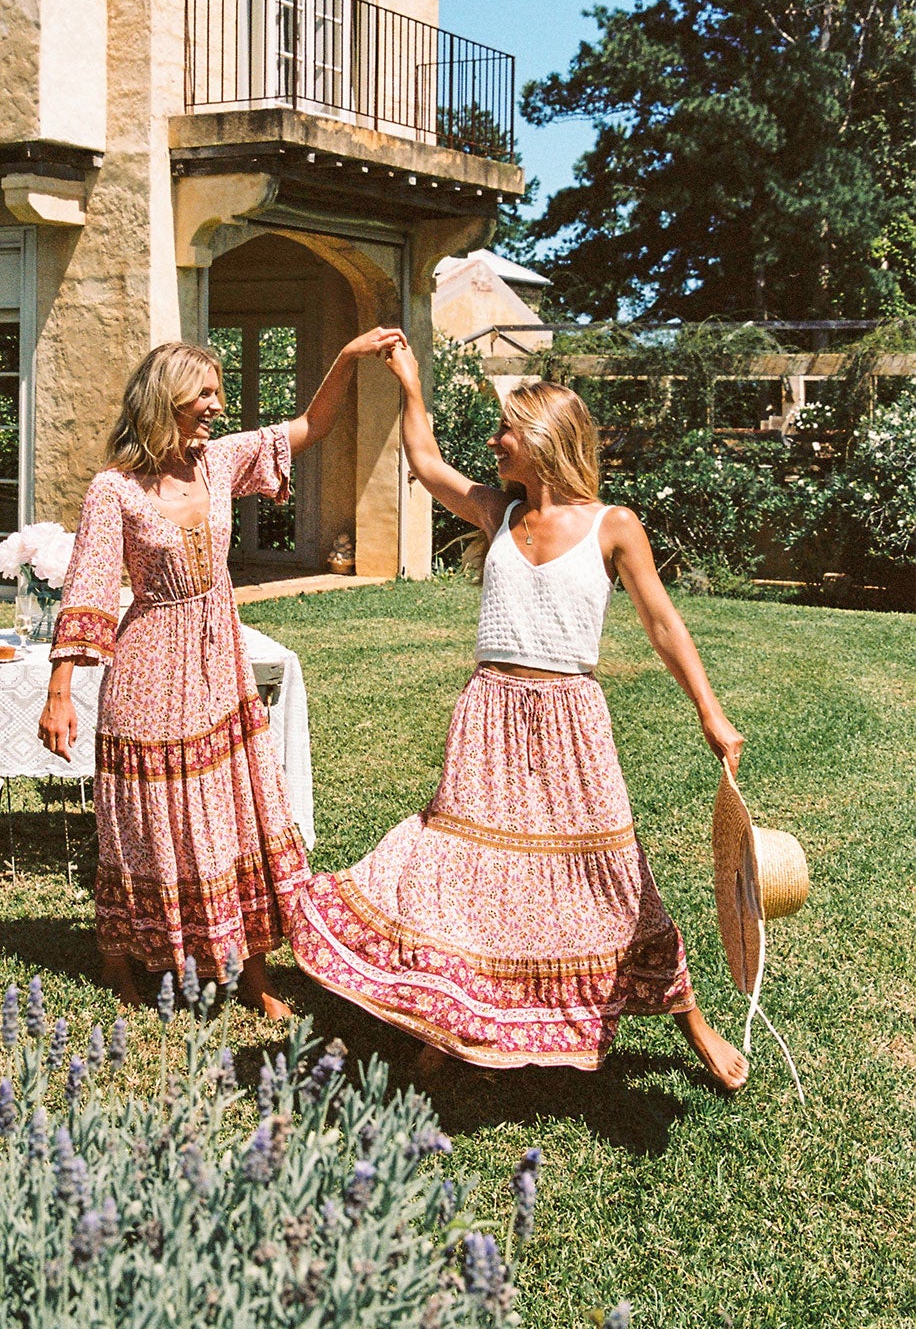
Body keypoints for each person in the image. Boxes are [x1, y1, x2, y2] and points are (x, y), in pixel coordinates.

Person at [291, 351, 749, 1092]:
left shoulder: (613, 524)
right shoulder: (499, 511)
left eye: (507, 430)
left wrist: (712, 712)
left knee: (611, 874)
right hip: (489, 715)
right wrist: (410, 386)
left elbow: (663, 623)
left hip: (572, 721)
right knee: (465, 867)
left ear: (543, 436)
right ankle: (451, 1012)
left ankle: (690, 1016)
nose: (496, 442)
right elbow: (423, 460)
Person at [40, 328, 406, 1015]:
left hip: (218, 661)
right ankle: (126, 965)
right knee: (147, 821)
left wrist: (349, 357)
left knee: (235, 813)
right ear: (165, 400)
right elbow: (86, 589)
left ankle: (256, 977)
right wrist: (60, 691)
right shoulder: (112, 490)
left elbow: (312, 424)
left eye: (218, 392)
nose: (216, 405)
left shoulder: (222, 460)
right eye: (203, 393)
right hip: (148, 670)